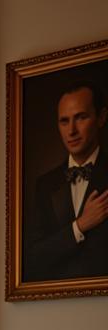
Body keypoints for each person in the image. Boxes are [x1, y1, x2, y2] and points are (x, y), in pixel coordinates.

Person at [27, 80, 108, 281]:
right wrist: (79, 226)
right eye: (64, 121)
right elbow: (34, 257)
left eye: (80, 117)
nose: (71, 130)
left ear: (101, 118)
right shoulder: (45, 185)